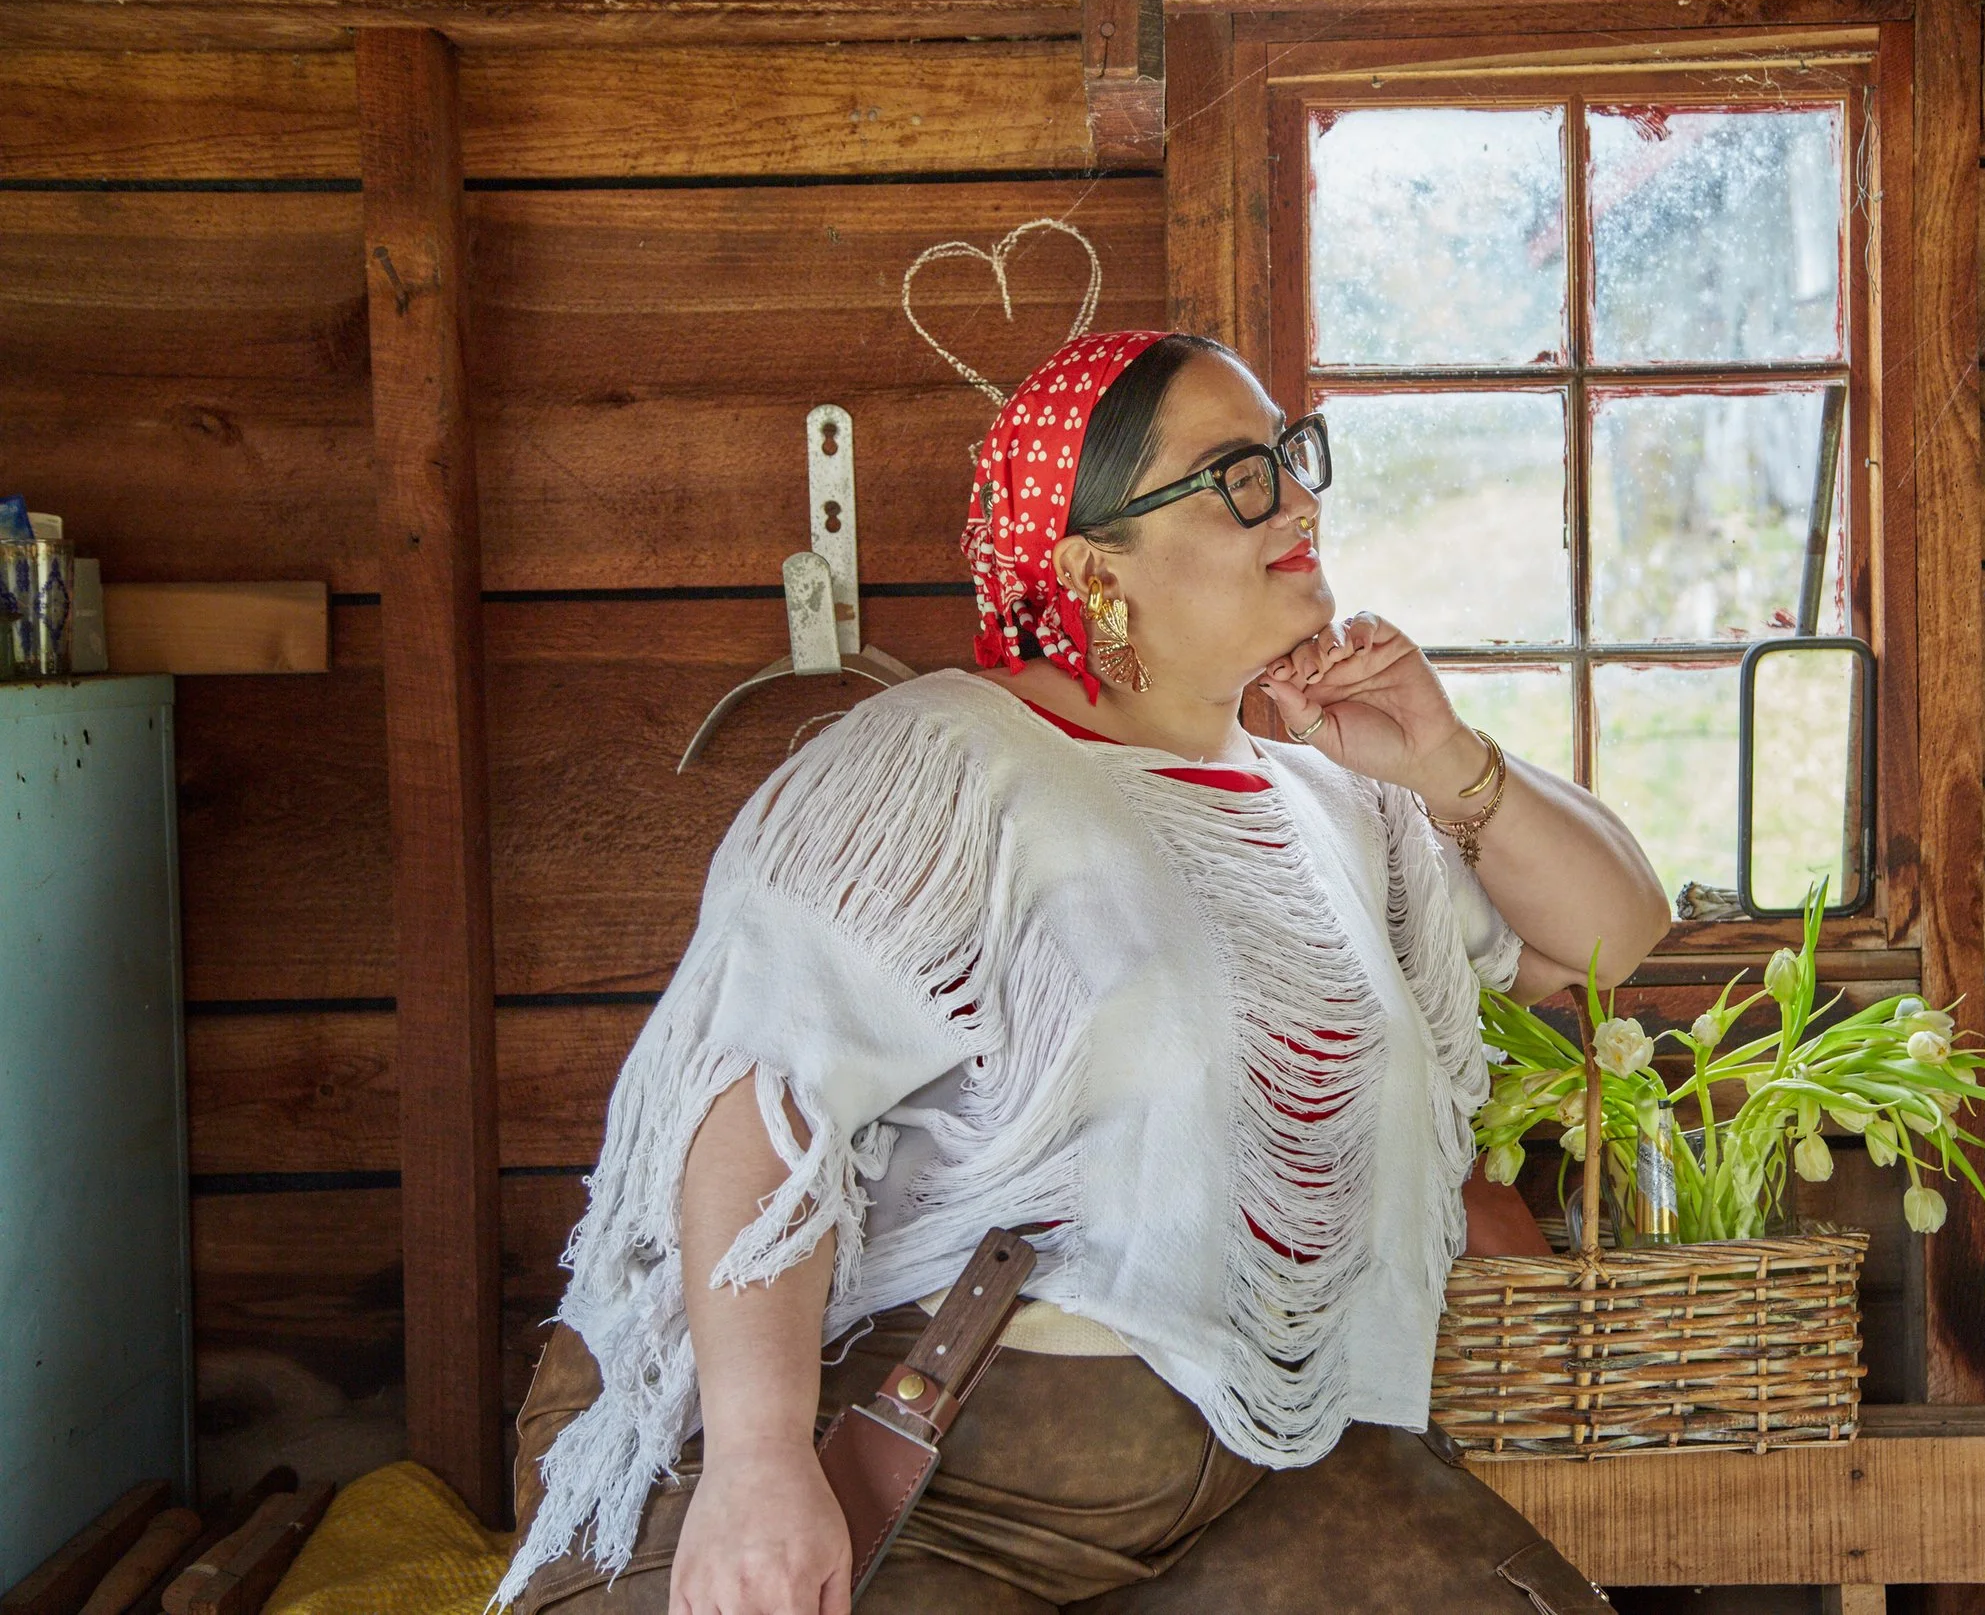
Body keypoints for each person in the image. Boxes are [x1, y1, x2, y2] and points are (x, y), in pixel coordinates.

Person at [495, 331, 1673, 1615]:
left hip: (1255, 1472)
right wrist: (760, 1462)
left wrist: (1442, 753)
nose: (1300, 499)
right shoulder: (943, 760)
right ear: (1088, 565)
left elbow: (1610, 935)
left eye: (1292, 456)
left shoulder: (1337, 803)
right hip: (938, 1468)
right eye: (1239, 475)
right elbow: (757, 1104)